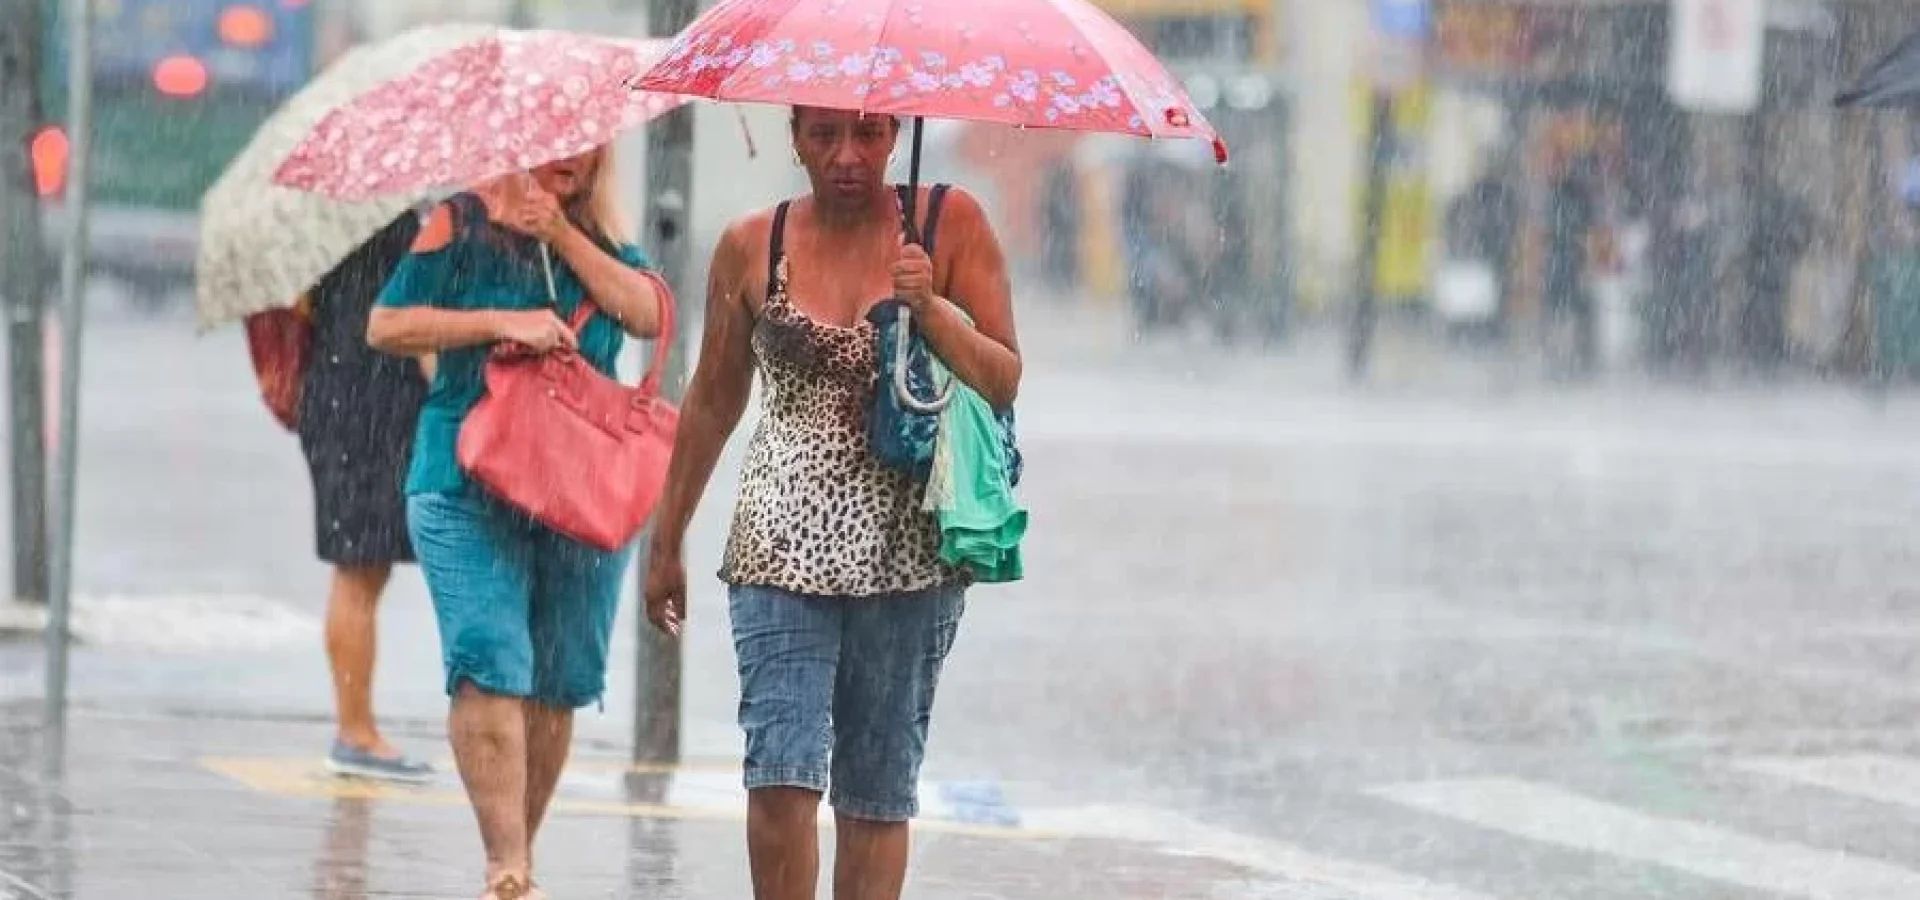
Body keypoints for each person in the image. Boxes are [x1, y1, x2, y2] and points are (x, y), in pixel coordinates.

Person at [644, 106, 1021, 900]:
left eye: (871, 134)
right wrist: (667, 535)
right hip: (777, 549)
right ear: (794, 135)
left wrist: (931, 311)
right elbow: (712, 399)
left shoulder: (949, 223)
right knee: (779, 776)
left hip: (911, 554)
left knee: (877, 792)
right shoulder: (753, 244)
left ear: (896, 132)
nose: (848, 156)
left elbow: (1001, 377)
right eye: (823, 136)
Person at [365, 145, 667, 900]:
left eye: (586, 143)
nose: (572, 157)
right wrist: (503, 320)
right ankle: (505, 863)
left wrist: (559, 233)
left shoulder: (600, 238)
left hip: (578, 489)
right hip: (466, 473)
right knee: (489, 660)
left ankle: (517, 860)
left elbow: (647, 313)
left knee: (561, 679)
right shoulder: (457, 222)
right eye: (554, 142)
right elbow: (387, 324)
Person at [298, 208, 436, 783]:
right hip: (368, 403)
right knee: (358, 570)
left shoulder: (322, 220)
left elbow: (304, 305)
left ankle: (355, 727)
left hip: (339, 393)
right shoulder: (382, 218)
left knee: (360, 569)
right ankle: (354, 731)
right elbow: (412, 318)